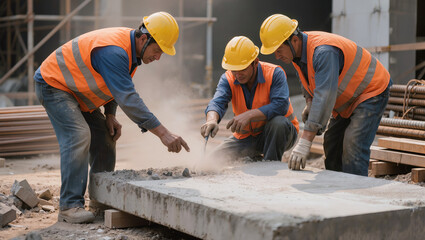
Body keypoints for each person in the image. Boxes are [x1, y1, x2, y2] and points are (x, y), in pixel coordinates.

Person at [34, 11, 190, 223]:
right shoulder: (114, 51)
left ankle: (101, 200)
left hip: (76, 92)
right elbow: (128, 98)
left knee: (105, 136)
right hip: (53, 85)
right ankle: (70, 205)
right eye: (157, 50)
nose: (158, 57)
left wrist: (109, 114)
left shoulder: (131, 53)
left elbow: (115, 86)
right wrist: (163, 133)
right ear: (144, 39)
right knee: (79, 134)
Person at [259, 14, 391, 176]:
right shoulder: (298, 53)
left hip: (371, 91)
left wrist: (305, 141)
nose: (277, 56)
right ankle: (335, 184)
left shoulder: (323, 52)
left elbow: (325, 96)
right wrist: (309, 102)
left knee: (353, 142)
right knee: (332, 142)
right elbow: (306, 77)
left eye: (279, 50)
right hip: (347, 97)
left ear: (294, 40)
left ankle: (355, 191)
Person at [200, 36, 299, 161]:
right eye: (234, 70)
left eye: (242, 69)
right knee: (213, 159)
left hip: (281, 134)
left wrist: (249, 115)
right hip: (246, 138)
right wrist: (211, 120)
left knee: (278, 123)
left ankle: (270, 164)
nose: (237, 74)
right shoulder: (228, 78)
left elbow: (281, 106)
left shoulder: (274, 73)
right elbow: (217, 102)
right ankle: (255, 157)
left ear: (255, 62)